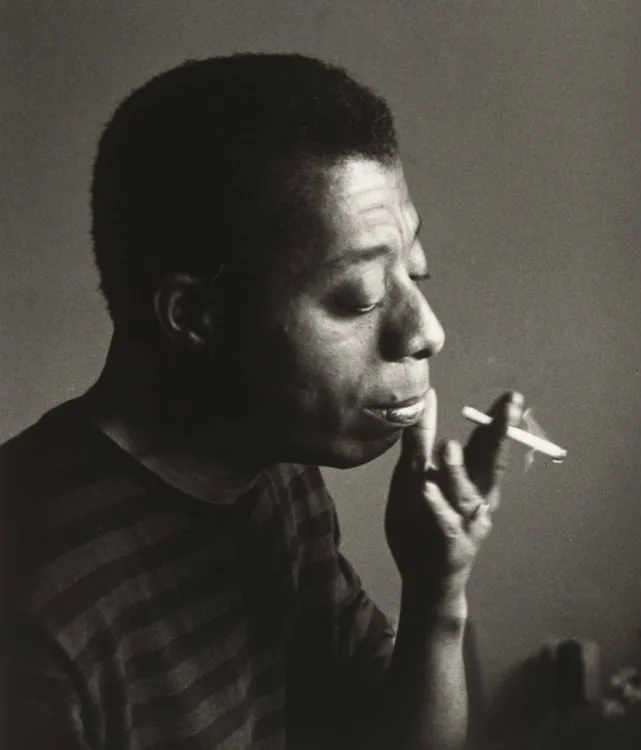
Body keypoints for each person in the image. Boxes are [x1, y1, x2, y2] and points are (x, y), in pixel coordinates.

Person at [0, 52, 521, 750]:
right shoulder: (34, 613)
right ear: (195, 318)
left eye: (413, 273)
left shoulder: (278, 477)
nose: (426, 332)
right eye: (358, 298)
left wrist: (437, 594)